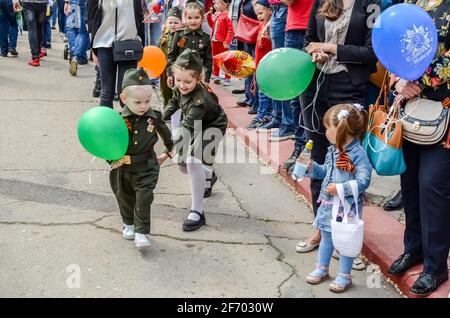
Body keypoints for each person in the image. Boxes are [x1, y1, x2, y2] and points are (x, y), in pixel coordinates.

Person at [295, 0, 378, 254]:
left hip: (348, 84)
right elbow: (308, 39)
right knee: (318, 153)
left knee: (346, 162)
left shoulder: (371, 5)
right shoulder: (321, 1)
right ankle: (320, 228)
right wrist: (315, 52)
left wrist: (331, 48)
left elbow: (371, 52)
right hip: (315, 84)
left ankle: (345, 236)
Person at [387, 0, 449, 297]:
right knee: (409, 184)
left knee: (432, 187)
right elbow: (391, 51)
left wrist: (417, 81)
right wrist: (397, 81)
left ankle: (436, 266)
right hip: (410, 114)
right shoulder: (412, 3)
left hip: (444, 113)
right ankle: (414, 249)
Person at [296, 104, 371, 292]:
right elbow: (325, 172)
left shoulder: (358, 154)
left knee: (345, 241)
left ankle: (344, 275)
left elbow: (364, 180)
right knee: (327, 237)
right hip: (328, 204)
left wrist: (341, 188)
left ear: (339, 130)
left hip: (347, 207)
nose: (325, 131)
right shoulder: (333, 150)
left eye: (327, 127)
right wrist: (311, 166)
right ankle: (322, 268)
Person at [162, 49, 228, 231]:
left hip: (212, 125)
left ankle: (197, 212)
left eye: (188, 82)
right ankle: (207, 174)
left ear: (199, 79)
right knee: (183, 166)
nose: (182, 85)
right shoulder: (179, 87)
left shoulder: (201, 99)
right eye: (179, 80)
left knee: (191, 161)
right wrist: (159, 119)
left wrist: (167, 151)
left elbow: (189, 127)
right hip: (194, 123)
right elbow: (174, 102)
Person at [109, 68, 174, 250]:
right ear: (123, 98)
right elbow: (107, 144)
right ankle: (128, 224)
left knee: (144, 198)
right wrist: (111, 161)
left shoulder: (154, 117)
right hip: (122, 168)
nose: (143, 106)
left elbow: (166, 134)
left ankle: (141, 232)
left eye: (147, 101)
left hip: (147, 167)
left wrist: (171, 149)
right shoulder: (117, 121)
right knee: (124, 197)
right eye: (138, 102)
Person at [89, 0, 145, 108]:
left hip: (129, 45)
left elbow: (139, 18)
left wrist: (142, 45)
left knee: (126, 91)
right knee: (106, 92)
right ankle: (105, 124)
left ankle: (127, 124)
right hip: (104, 45)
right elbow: (92, 21)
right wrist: (94, 49)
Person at [167, 0, 213, 87]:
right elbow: (171, 56)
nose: (193, 21)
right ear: (185, 18)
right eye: (189, 18)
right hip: (180, 76)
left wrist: (206, 79)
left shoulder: (206, 38)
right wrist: (170, 74)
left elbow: (208, 61)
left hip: (197, 77)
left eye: (196, 17)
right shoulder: (179, 34)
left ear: (202, 18)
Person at [246, 0, 272, 129]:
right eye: (257, 14)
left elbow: (264, 45)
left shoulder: (269, 28)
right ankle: (263, 114)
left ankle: (263, 116)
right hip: (260, 65)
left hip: (267, 66)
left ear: (270, 10)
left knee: (264, 93)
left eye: (261, 13)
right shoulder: (262, 26)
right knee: (261, 92)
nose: (259, 16)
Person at [158, 6, 183, 108]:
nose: (173, 25)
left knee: (178, 89)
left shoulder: (182, 36)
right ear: (166, 23)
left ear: (181, 24)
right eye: (170, 23)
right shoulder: (164, 35)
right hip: (164, 68)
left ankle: (179, 110)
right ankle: (167, 107)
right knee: (165, 88)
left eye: (176, 23)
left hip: (177, 68)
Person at [206, 0, 234, 86]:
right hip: (214, 41)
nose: (214, 6)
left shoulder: (227, 16)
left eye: (217, 4)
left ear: (224, 5)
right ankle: (216, 75)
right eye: (214, 4)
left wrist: (227, 41)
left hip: (222, 42)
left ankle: (227, 78)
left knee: (225, 60)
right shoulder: (217, 14)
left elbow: (230, 30)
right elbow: (212, 26)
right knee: (215, 58)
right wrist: (209, 17)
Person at [65, 0, 90, 76]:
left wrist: (67, 2)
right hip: (86, 3)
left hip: (75, 2)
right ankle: (76, 56)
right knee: (83, 32)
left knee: (71, 28)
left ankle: (74, 52)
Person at [22, 0, 48, 66]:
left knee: (32, 28)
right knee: (39, 28)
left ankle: (35, 56)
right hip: (42, 4)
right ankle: (38, 53)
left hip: (28, 3)